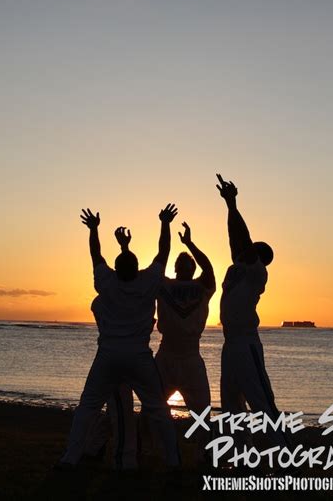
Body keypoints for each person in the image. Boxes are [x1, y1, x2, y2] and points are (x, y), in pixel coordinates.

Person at [57, 205, 180, 468]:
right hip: (138, 356)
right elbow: (164, 252)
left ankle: (70, 458)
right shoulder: (148, 282)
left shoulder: (106, 283)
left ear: (117, 268)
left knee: (88, 407)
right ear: (137, 268)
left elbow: (96, 255)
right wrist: (165, 223)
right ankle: (173, 461)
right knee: (158, 409)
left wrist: (94, 229)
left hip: (109, 355)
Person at [216, 174, 289, 450]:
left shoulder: (257, 272)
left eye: (253, 249)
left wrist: (233, 205)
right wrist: (229, 208)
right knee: (231, 403)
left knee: (261, 402)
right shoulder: (239, 268)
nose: (247, 249)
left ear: (259, 257)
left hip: (246, 344)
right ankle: (242, 454)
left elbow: (243, 243)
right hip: (230, 344)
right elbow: (236, 243)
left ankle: (286, 459)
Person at [155, 221, 216, 462]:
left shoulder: (184, 286)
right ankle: (173, 453)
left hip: (184, 356)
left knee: (163, 407)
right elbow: (208, 266)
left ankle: (201, 454)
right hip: (175, 355)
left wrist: (171, 230)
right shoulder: (168, 284)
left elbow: (162, 257)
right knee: (160, 407)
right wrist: (188, 242)